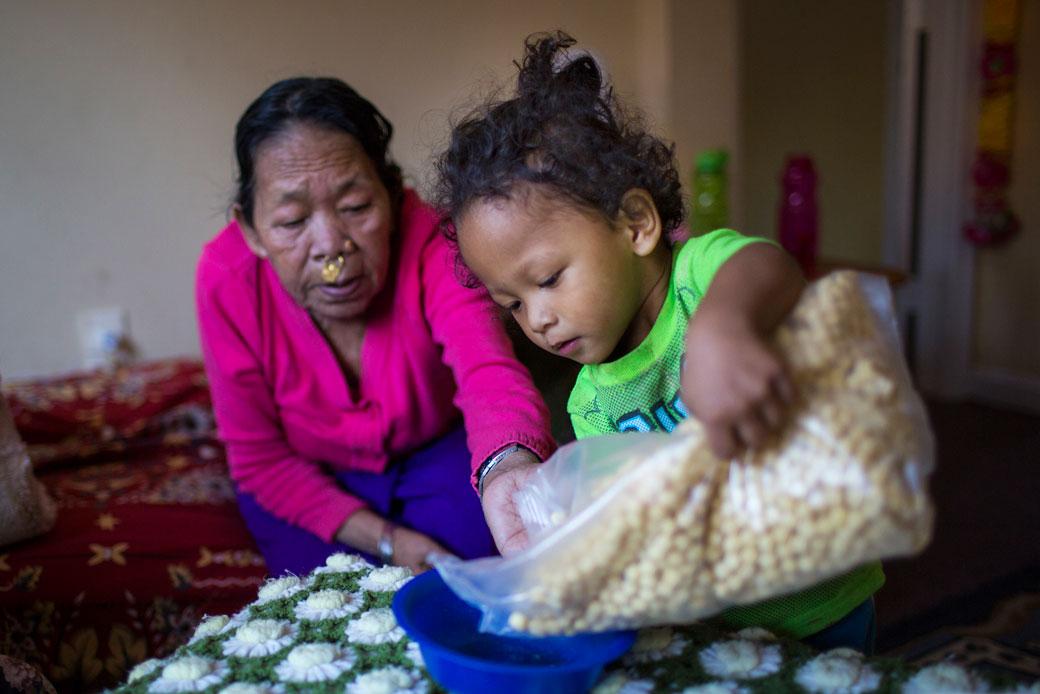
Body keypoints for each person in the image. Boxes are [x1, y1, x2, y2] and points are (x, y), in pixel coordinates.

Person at [432, 31, 883, 653]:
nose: (535, 318)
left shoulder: (700, 281)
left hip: (819, 602)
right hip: (715, 626)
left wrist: (727, 329)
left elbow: (766, 266)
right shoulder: (590, 401)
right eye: (511, 303)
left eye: (549, 279)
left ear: (636, 224)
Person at [195, 77, 556, 578]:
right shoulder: (226, 279)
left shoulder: (436, 240)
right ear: (251, 229)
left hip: (436, 453)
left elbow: (488, 374)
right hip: (302, 479)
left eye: (355, 208)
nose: (330, 247)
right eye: (292, 221)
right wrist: (386, 541)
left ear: (391, 199)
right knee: (323, 608)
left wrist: (510, 466)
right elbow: (259, 457)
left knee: (486, 566)